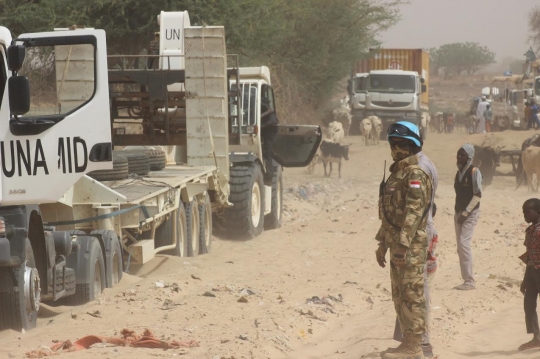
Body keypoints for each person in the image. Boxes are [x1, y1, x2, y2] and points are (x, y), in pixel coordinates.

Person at [375, 121, 433, 359]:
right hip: (396, 243)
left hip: (409, 246)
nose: (396, 149)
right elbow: (389, 212)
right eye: (393, 144)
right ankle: (407, 342)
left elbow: (413, 212)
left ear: (413, 145)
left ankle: (415, 347)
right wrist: (382, 243)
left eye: (401, 144)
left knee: (412, 294)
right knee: (399, 294)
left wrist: (401, 245)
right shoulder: (397, 173)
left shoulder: (415, 173)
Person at [454, 144, 482, 290]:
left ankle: (470, 281)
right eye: (458, 154)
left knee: (464, 244)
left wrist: (465, 214)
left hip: (470, 213)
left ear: (469, 157)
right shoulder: (458, 173)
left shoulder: (474, 171)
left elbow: (477, 195)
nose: (459, 157)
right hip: (458, 212)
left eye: (462, 154)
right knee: (460, 246)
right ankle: (466, 279)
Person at [519, 198, 540, 351]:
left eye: (528, 212)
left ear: (538, 212)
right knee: (529, 304)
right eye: (523, 212)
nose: (525, 215)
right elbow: (529, 257)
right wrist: (525, 279)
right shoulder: (530, 230)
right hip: (533, 272)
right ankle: (537, 337)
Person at [260, 96, 279, 185]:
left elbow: (270, 110)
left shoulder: (258, 101)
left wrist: (260, 116)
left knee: (267, 152)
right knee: (266, 151)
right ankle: (269, 175)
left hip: (270, 126)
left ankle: (269, 176)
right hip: (269, 126)